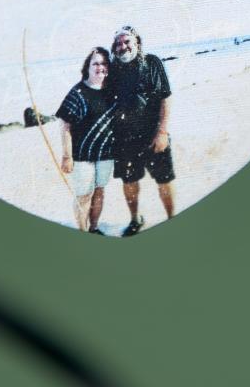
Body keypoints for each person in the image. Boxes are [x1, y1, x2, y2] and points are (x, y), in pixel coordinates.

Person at [109, 26, 174, 236]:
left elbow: (165, 97)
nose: (122, 47)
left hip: (153, 135)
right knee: (129, 183)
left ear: (137, 43)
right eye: (118, 44)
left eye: (126, 42)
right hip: (123, 140)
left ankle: (172, 219)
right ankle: (135, 220)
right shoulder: (111, 70)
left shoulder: (153, 62)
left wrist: (162, 132)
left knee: (164, 180)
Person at [55, 47, 118, 233]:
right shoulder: (78, 92)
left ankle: (95, 228)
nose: (100, 67)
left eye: (104, 63)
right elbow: (65, 125)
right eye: (95, 63)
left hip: (106, 153)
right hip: (82, 155)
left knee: (99, 190)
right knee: (84, 195)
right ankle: (82, 231)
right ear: (87, 67)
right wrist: (67, 156)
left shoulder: (112, 91)